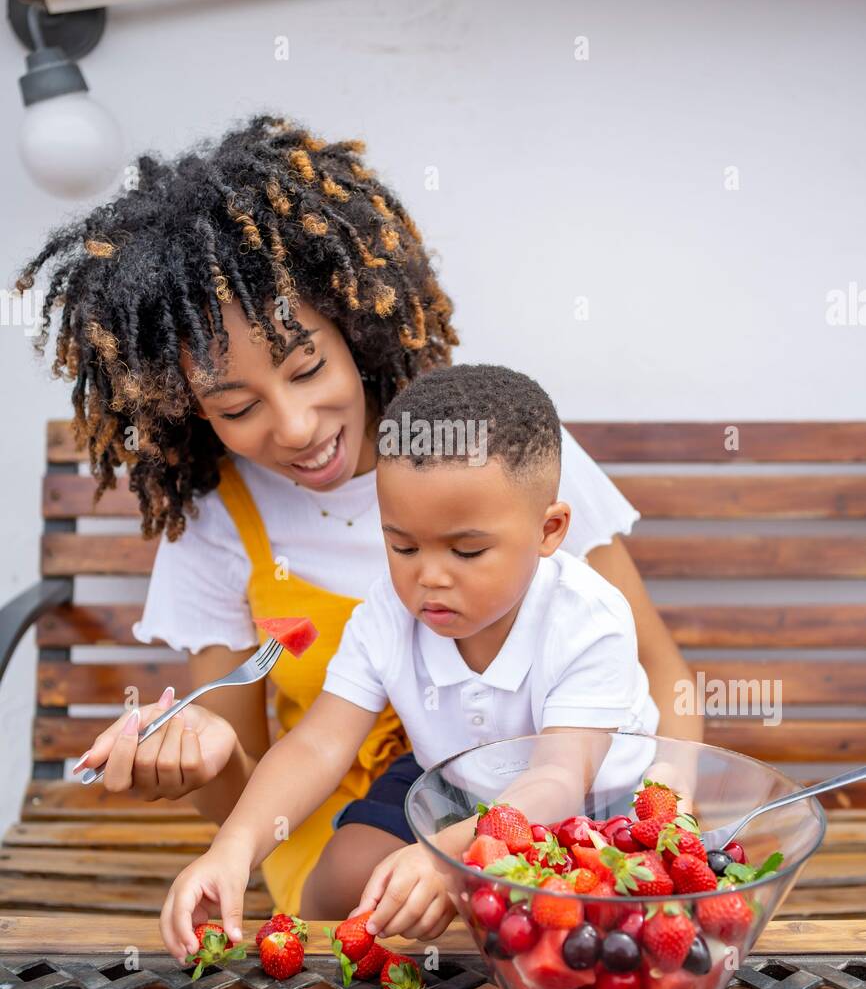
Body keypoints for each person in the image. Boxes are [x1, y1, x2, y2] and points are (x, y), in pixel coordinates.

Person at [17, 114, 700, 920]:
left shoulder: (497, 454)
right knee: (376, 900)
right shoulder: (231, 529)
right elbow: (291, 759)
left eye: (307, 366)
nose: (298, 427)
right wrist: (212, 786)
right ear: (189, 411)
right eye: (236, 406)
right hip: (363, 823)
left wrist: (669, 823)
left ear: (349, 322)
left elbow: (653, 689)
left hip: (559, 799)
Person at [160, 364, 664, 957]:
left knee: (571, 935)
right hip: (453, 779)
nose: (428, 575)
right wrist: (233, 850)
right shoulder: (390, 610)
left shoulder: (587, 619)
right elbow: (318, 744)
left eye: (467, 550)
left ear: (549, 530)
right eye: (401, 544)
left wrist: (448, 856)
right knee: (341, 880)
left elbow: (556, 778)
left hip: (588, 807)